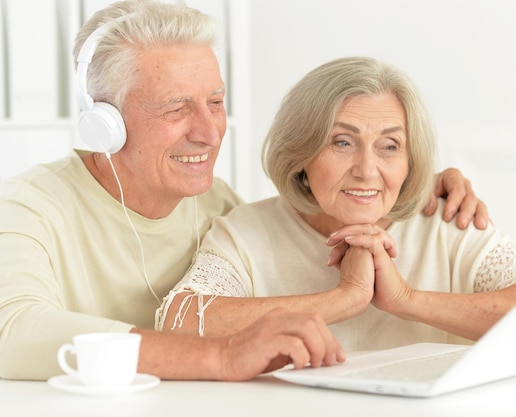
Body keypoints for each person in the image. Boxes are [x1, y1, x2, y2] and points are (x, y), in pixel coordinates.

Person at [0, 1, 487, 381]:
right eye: (176, 109)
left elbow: (299, 217)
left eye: (216, 102)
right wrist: (219, 355)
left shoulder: (219, 207)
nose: (210, 131)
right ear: (104, 122)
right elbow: (13, 331)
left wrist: (414, 185)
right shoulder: (30, 207)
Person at [156, 56, 516, 353]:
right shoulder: (246, 232)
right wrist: (343, 298)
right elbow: (178, 323)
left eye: (389, 146)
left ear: (411, 159)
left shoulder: (444, 221)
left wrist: (406, 300)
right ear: (301, 154)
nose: (367, 170)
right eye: (342, 142)